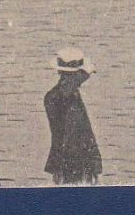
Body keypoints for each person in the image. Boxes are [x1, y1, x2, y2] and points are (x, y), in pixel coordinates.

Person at [44, 47, 103, 185]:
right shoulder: (55, 96)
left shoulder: (64, 95)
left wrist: (95, 165)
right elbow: (66, 88)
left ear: (58, 70)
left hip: (80, 162)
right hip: (69, 163)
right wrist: (85, 72)